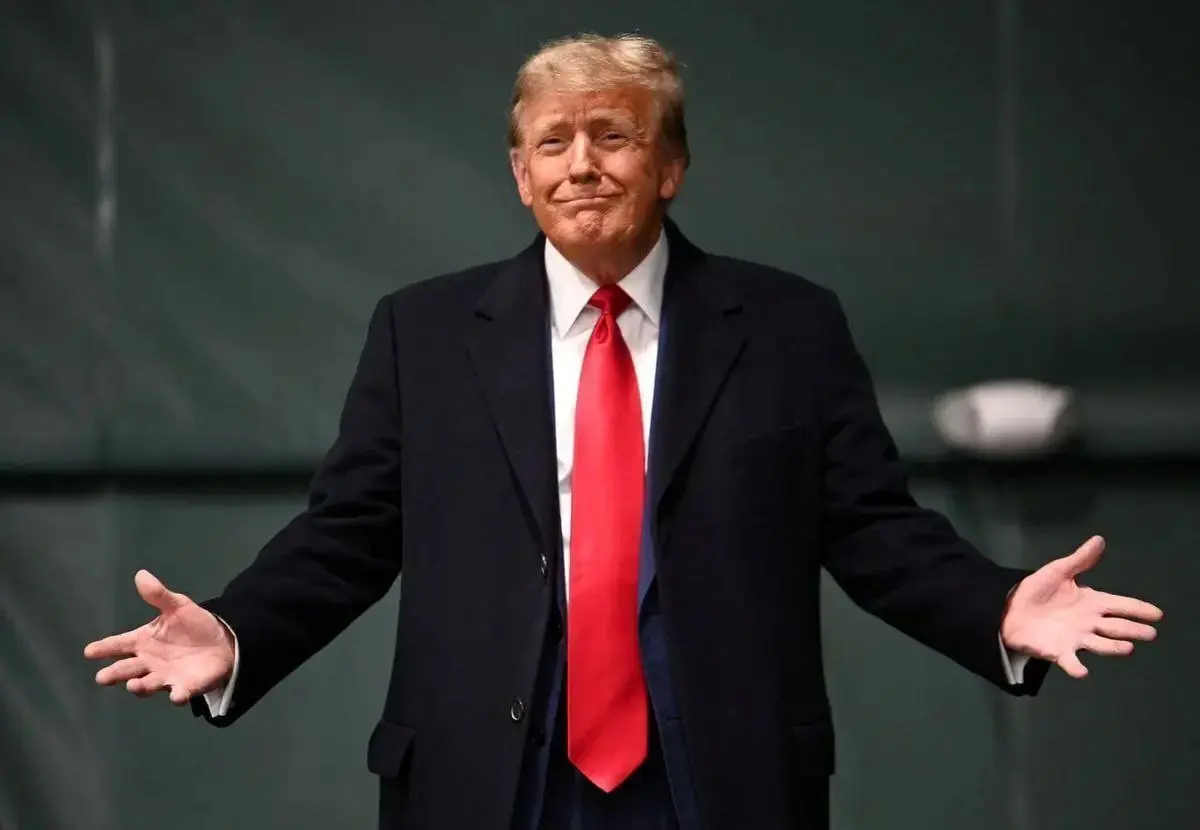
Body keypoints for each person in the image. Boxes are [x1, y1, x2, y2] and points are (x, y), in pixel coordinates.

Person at [84, 33, 1163, 830]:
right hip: (488, 776)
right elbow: (349, 532)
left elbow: (875, 527)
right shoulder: (425, 333)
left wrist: (996, 606)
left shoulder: (787, 327)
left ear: (671, 164)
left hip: (719, 775)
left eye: (613, 136)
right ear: (520, 175)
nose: (581, 164)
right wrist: (237, 631)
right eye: (551, 142)